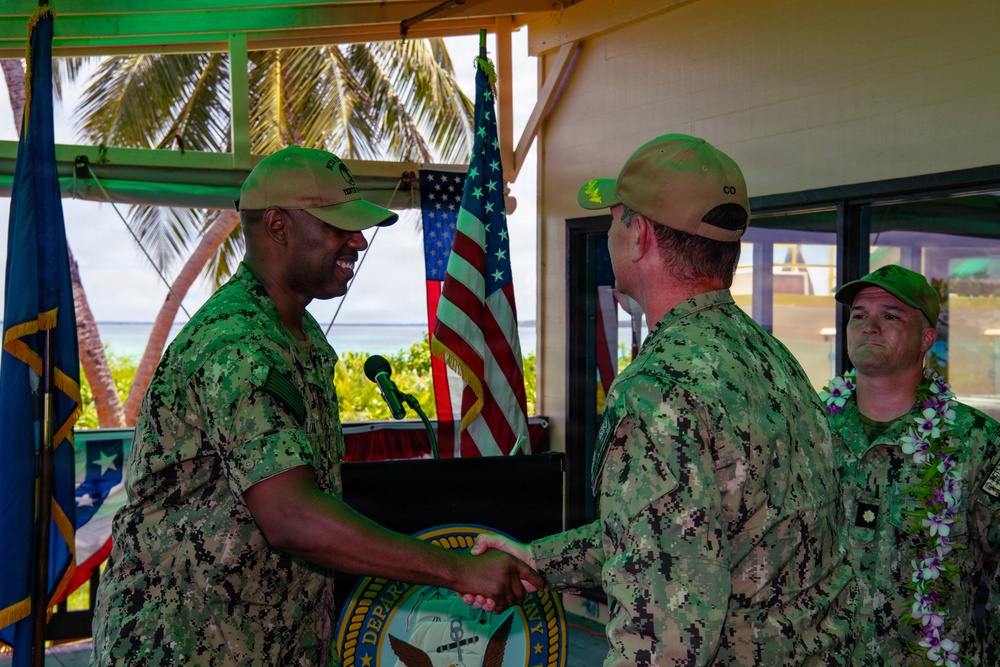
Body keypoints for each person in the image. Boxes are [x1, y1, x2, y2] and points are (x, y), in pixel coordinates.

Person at [90, 146, 543, 666]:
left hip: (267, 638)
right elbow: (292, 517)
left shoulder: (297, 336)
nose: (359, 240)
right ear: (278, 226)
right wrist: (458, 569)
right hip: (186, 643)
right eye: (337, 226)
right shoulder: (237, 346)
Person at [469, 134, 854, 665]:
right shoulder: (772, 358)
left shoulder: (659, 389)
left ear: (639, 236)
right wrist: (539, 559)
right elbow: (689, 528)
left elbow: (662, 639)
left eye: (613, 219)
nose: (608, 235)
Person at [823, 265, 1000, 666]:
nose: (869, 326)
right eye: (858, 315)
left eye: (890, 315)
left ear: (926, 339)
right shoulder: (810, 431)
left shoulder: (976, 442)